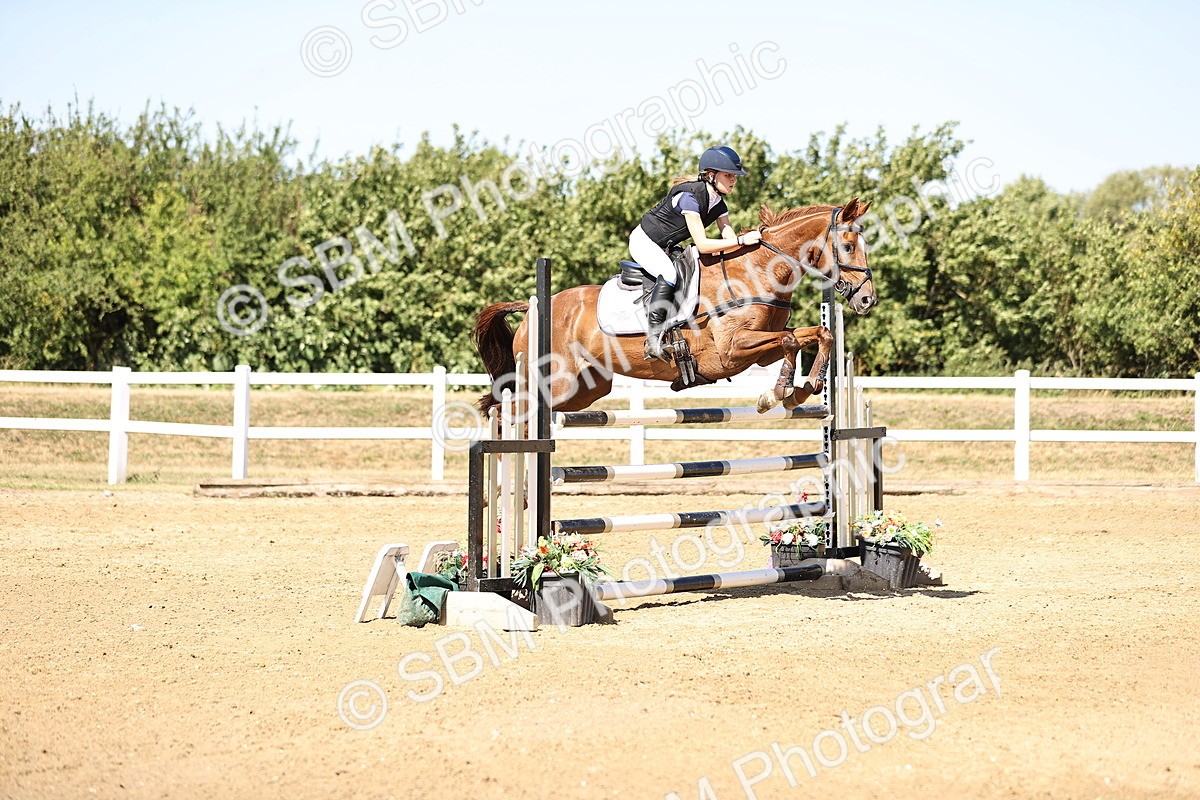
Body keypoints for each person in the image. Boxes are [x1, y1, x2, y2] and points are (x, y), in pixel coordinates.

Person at [629, 145, 762, 360]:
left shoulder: (719, 203)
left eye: (734, 176)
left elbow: (729, 239)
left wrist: (753, 245)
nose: (733, 180)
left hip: (666, 245)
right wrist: (741, 240)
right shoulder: (688, 197)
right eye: (728, 175)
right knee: (670, 274)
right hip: (644, 241)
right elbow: (703, 245)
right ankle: (652, 340)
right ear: (711, 175)